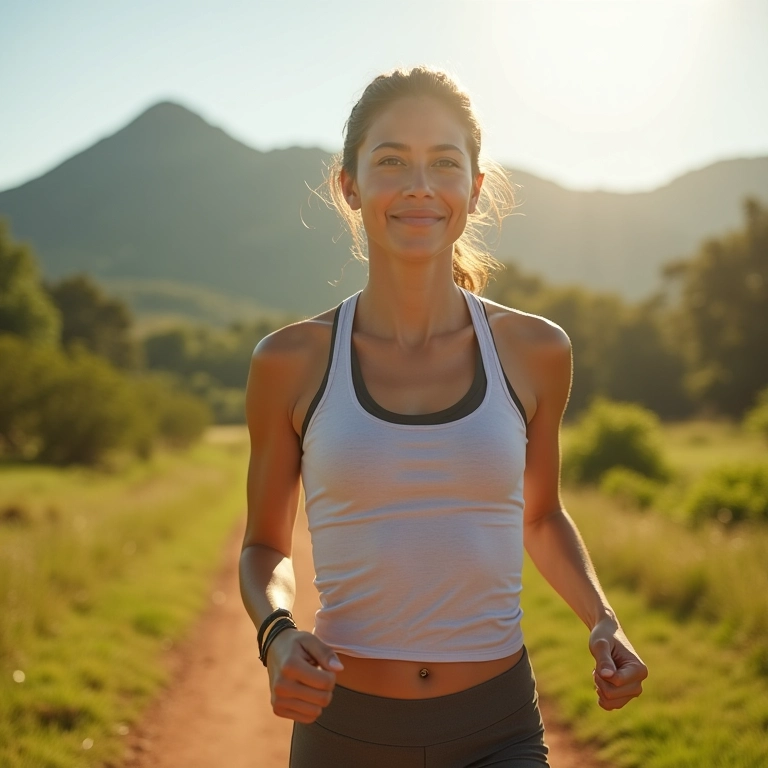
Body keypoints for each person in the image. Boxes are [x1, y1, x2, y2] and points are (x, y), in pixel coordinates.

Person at [240, 66, 648, 768]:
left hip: (498, 730)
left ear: (475, 188)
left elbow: (541, 515)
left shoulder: (536, 351)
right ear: (350, 185)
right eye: (392, 160)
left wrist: (603, 619)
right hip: (343, 734)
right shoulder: (291, 360)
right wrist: (276, 632)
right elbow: (264, 548)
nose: (420, 185)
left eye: (444, 163)